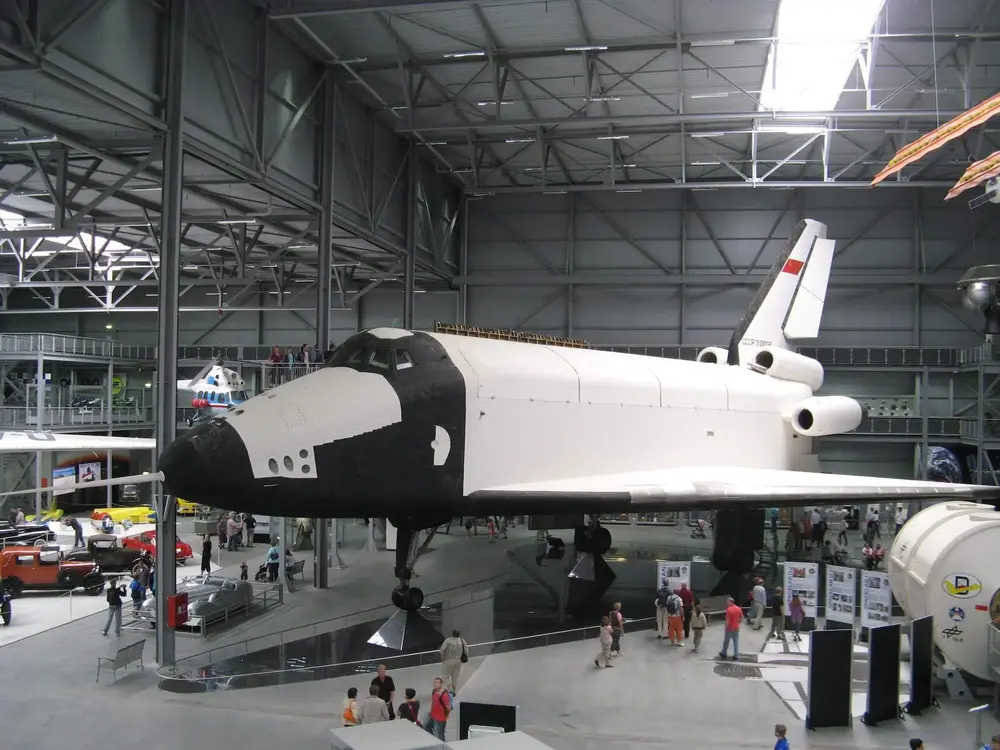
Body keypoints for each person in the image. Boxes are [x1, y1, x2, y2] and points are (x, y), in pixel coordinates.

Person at [438, 629, 467, 694]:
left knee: (445, 676)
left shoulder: (448, 641)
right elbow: (466, 651)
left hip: (448, 660)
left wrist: (443, 658)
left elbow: (442, 650)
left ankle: (450, 689)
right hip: (458, 661)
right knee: (455, 676)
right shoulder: (462, 641)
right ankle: (454, 690)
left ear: (452, 633)